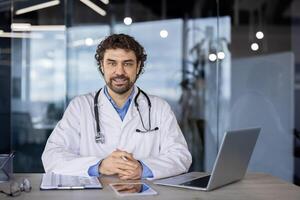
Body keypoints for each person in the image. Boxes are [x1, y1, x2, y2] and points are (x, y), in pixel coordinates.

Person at [42, 33, 192, 180]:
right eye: (112, 63)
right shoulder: (80, 107)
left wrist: (142, 168)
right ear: (102, 65)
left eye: (127, 64)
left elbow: (180, 156)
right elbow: (52, 156)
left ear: (138, 66)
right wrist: (99, 166)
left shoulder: (159, 108)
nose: (119, 72)